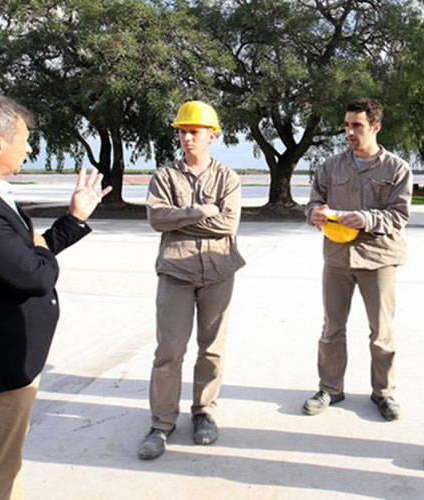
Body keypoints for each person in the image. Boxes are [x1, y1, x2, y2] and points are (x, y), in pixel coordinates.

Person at [0, 90, 110, 500]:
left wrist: (73, 220)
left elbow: (22, 256)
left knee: (0, 466)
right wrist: (37, 253)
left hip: (2, 355)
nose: (29, 148)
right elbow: (34, 274)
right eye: (24, 138)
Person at [138, 100, 245, 460]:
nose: (187, 138)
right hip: (176, 271)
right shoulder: (165, 176)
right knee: (169, 350)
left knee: (212, 347)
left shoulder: (227, 177)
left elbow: (228, 224)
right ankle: (162, 422)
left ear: (212, 135)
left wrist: (179, 218)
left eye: (194, 132)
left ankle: (204, 412)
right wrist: (200, 211)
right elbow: (156, 217)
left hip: (218, 272)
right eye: (183, 132)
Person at [303, 97, 412, 421]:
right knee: (332, 328)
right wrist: (314, 214)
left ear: (375, 127)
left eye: (357, 126)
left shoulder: (396, 169)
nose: (349, 131)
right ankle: (330, 389)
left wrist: (366, 219)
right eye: (347, 125)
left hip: (379, 260)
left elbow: (400, 215)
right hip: (337, 259)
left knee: (381, 331)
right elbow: (314, 200)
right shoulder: (331, 166)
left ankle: (384, 393)